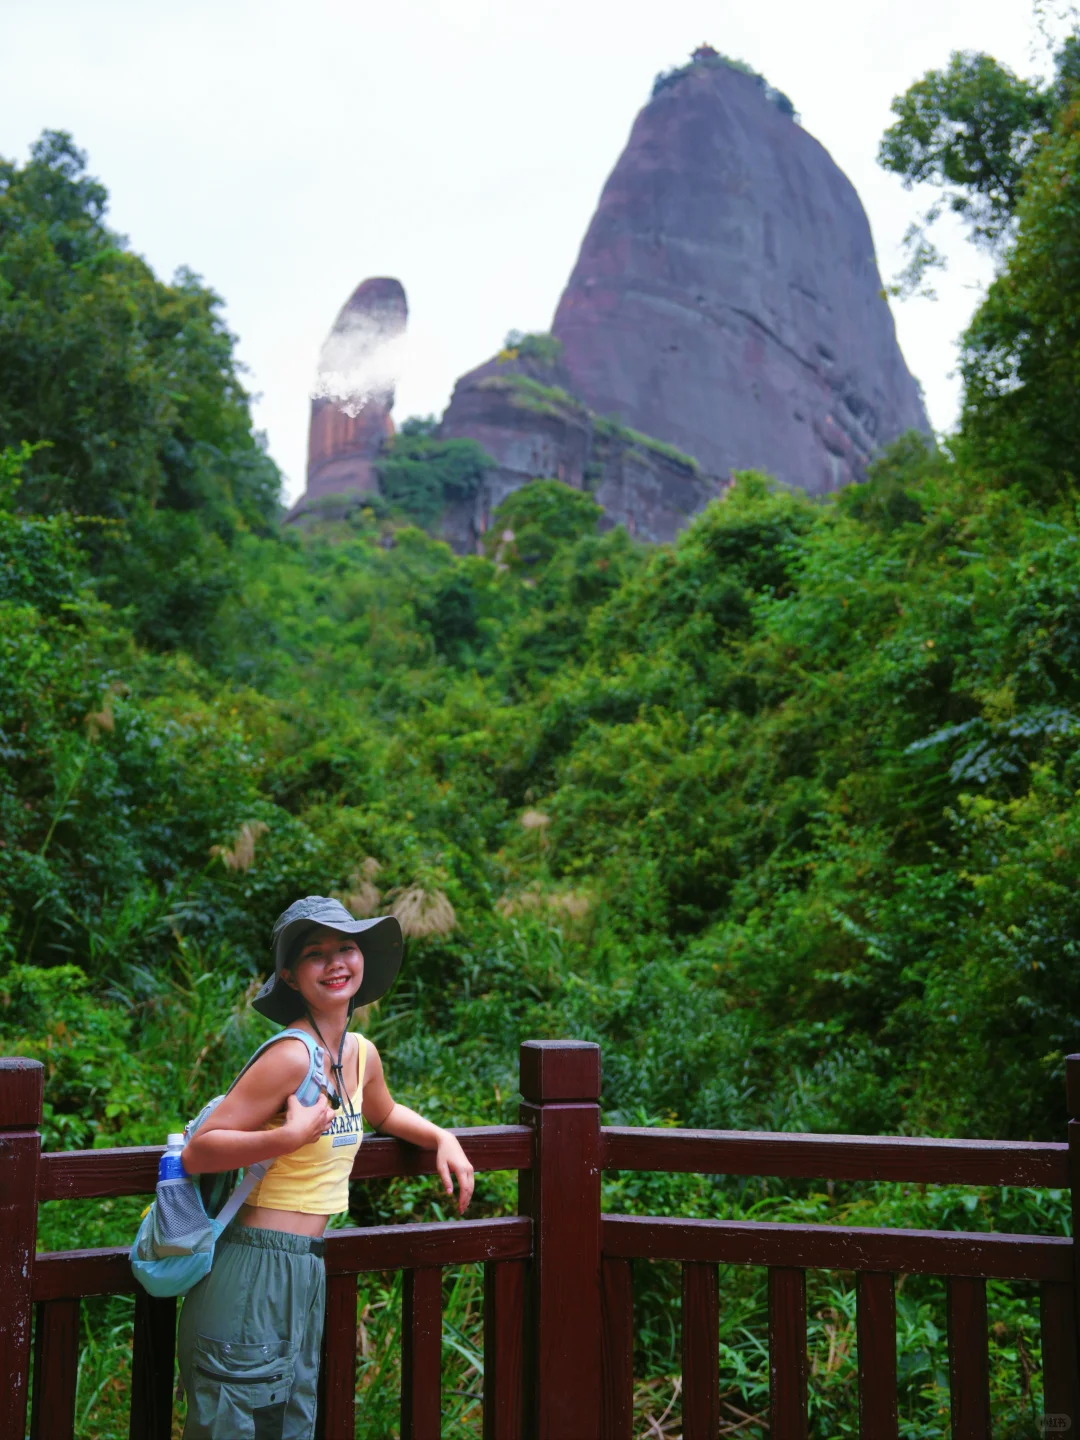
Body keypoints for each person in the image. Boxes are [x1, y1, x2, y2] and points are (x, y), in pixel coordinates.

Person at [176, 895, 474, 1439]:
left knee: (290, 1424)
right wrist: (289, 1136)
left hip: (306, 1267)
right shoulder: (289, 1056)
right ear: (290, 975)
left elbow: (383, 1112)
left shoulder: (360, 1053)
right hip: (250, 1268)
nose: (336, 962)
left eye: (346, 947)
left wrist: (441, 1137)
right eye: (316, 953)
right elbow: (201, 1149)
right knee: (235, 1424)